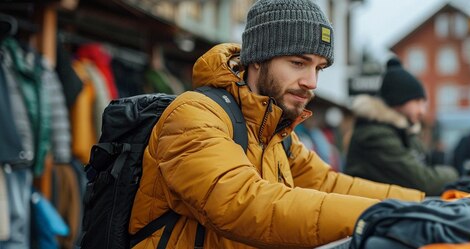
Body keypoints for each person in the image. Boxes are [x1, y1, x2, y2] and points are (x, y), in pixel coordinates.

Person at [128, 1, 425, 248]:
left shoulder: (275, 133)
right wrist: (384, 215)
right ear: (258, 59)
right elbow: (245, 204)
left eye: (318, 68)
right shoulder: (194, 115)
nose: (311, 82)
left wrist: (428, 205)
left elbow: (329, 184)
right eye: (298, 63)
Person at [343, 58, 458, 196]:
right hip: (368, 213)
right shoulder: (375, 135)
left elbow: (426, 167)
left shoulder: (403, 131)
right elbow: (426, 182)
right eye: (417, 102)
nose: (422, 111)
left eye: (423, 103)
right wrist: (454, 172)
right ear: (397, 100)